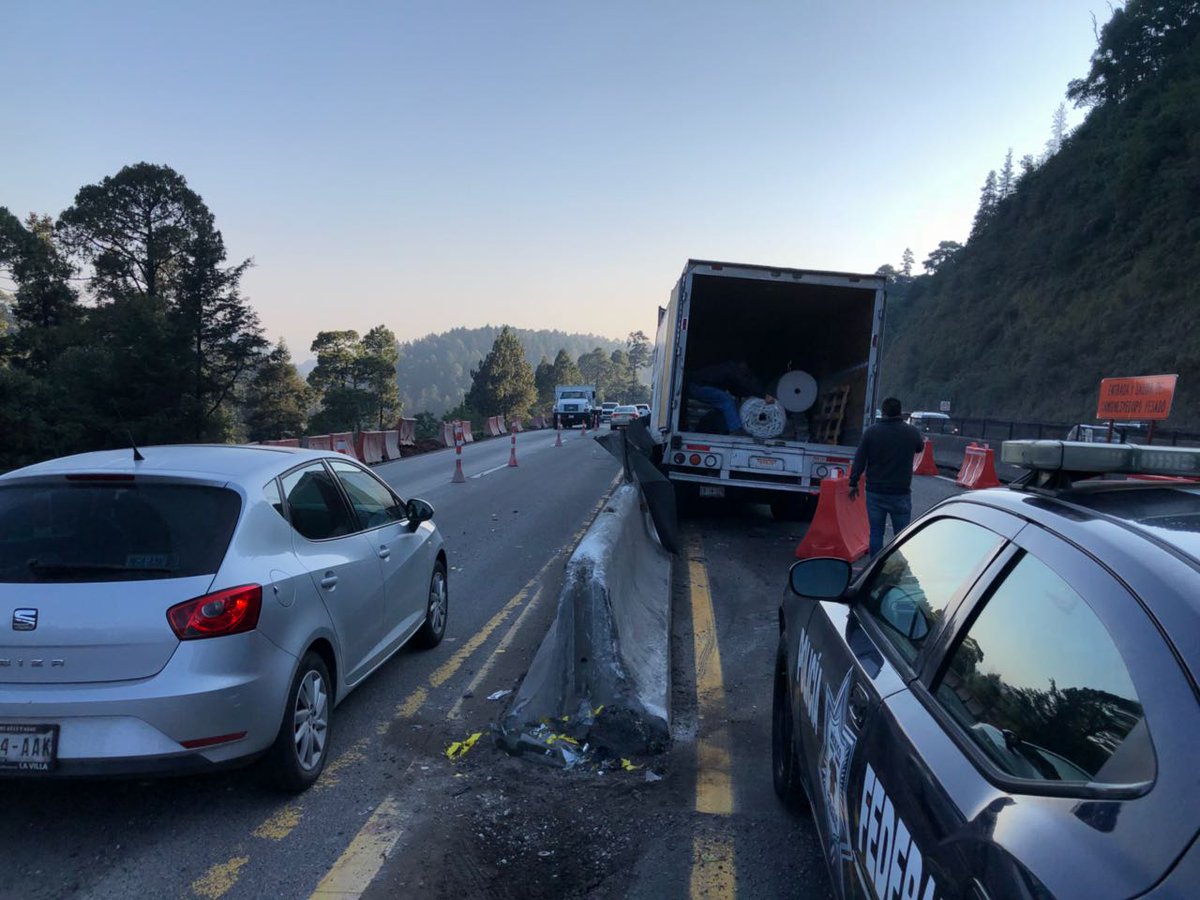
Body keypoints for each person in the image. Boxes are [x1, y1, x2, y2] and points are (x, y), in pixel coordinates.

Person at [848, 396, 925, 556]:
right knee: (902, 535)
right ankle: (898, 565)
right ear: (900, 412)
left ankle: (875, 566)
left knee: (876, 533)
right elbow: (919, 447)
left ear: (883, 412)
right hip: (900, 493)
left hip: (875, 492)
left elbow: (860, 459)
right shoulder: (911, 432)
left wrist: (853, 482)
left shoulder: (871, 432)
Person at [687, 361, 775, 435]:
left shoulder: (729, 371)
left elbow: (735, 389)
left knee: (725, 405)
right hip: (698, 386)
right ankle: (735, 430)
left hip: (698, 385)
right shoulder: (732, 369)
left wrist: (749, 396)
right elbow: (744, 383)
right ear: (743, 364)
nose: (746, 372)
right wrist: (763, 395)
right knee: (726, 400)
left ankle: (723, 429)